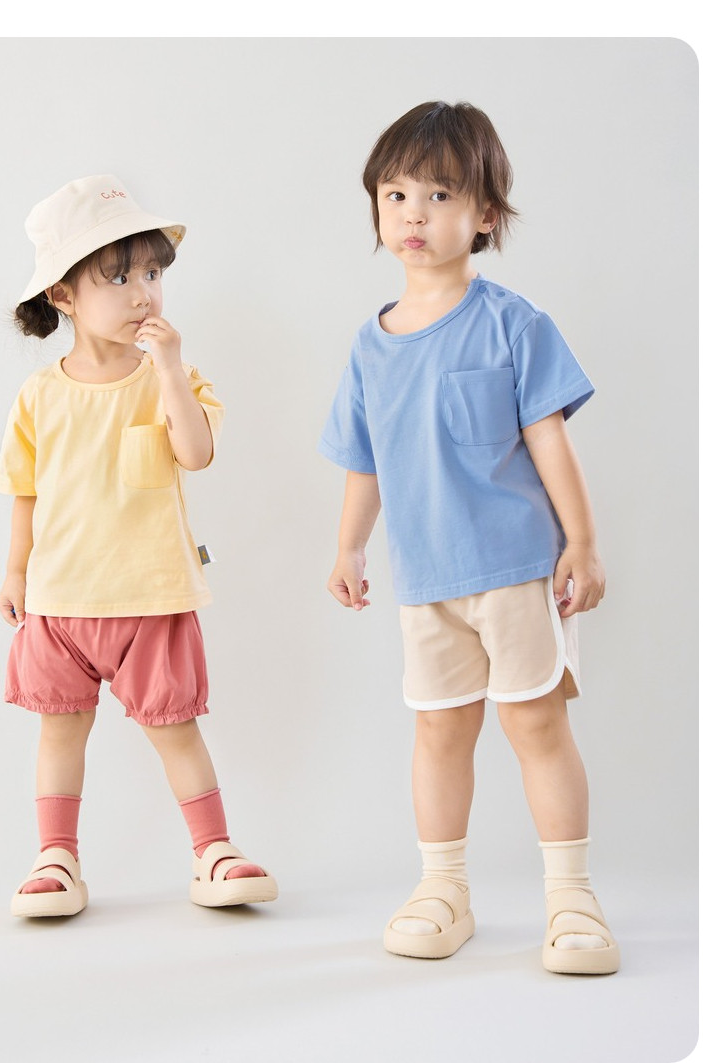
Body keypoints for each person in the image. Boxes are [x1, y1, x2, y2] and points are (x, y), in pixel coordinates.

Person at [318, 102, 619, 975]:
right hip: (425, 580)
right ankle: (443, 888)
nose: (414, 213)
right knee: (439, 735)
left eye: (440, 194)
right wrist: (348, 548)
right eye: (396, 194)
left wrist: (583, 542)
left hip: (517, 570)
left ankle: (572, 896)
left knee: (536, 725)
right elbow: (365, 461)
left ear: (485, 214)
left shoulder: (513, 324)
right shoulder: (369, 347)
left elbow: (549, 440)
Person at [0, 175, 277, 918]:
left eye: (151, 273)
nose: (143, 293)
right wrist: (15, 571)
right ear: (62, 294)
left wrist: (172, 370)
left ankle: (213, 850)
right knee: (61, 731)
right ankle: (56, 856)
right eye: (118, 278)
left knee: (176, 729)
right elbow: (24, 489)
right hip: (61, 602)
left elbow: (196, 453)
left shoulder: (168, 378)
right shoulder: (39, 394)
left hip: (152, 597)